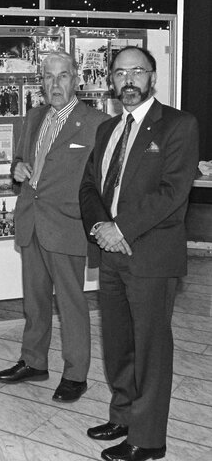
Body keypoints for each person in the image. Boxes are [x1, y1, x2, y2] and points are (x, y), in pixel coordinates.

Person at [79, 46, 198, 461]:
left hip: (150, 255)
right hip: (110, 253)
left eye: (138, 71)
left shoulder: (178, 125)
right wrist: (100, 228)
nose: (128, 80)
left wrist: (121, 228)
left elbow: (173, 192)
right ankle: (123, 415)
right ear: (111, 80)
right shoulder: (106, 129)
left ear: (152, 77)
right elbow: (91, 187)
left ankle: (147, 440)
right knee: (118, 343)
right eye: (120, 73)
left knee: (150, 347)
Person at [0, 52, 109, 403]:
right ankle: (34, 362)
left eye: (62, 76)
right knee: (36, 301)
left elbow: (102, 179)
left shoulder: (96, 123)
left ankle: (75, 375)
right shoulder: (33, 117)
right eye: (47, 77)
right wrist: (16, 168)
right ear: (40, 81)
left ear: (77, 79)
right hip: (31, 220)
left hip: (68, 225)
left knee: (72, 305)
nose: (54, 84)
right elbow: (21, 160)